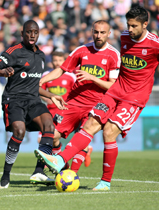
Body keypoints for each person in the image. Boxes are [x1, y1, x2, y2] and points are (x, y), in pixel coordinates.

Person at [34, 6, 159, 191]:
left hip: (134, 98)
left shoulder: (157, 43)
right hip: (115, 92)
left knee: (109, 132)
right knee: (91, 125)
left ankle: (105, 182)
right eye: (128, 25)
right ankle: (60, 160)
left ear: (145, 24)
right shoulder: (124, 37)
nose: (129, 30)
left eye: (134, 26)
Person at [34, 20, 120, 179]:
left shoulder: (113, 55)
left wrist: (92, 78)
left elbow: (113, 86)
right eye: (96, 32)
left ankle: (72, 174)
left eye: (102, 32)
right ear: (92, 32)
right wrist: (41, 81)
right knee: (52, 136)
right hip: (73, 102)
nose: (98, 35)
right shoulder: (81, 50)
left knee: (82, 138)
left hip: (96, 105)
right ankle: (63, 169)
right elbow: (62, 69)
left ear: (109, 34)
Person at [0, 20, 67, 189]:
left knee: (48, 124)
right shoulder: (13, 51)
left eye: (35, 32)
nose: (32, 35)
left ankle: (39, 171)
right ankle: (6, 175)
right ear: (22, 33)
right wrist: (3, 71)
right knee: (19, 132)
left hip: (33, 100)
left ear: (39, 34)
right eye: (28, 32)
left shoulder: (42, 55)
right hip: (13, 100)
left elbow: (34, 86)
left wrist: (52, 95)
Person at [30, 50, 76, 185]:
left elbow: (75, 92)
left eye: (60, 60)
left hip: (65, 112)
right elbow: (39, 90)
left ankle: (56, 162)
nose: (57, 63)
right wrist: (47, 98)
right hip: (49, 113)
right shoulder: (46, 75)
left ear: (65, 61)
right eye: (55, 60)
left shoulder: (71, 76)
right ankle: (56, 163)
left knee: (54, 138)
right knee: (47, 138)